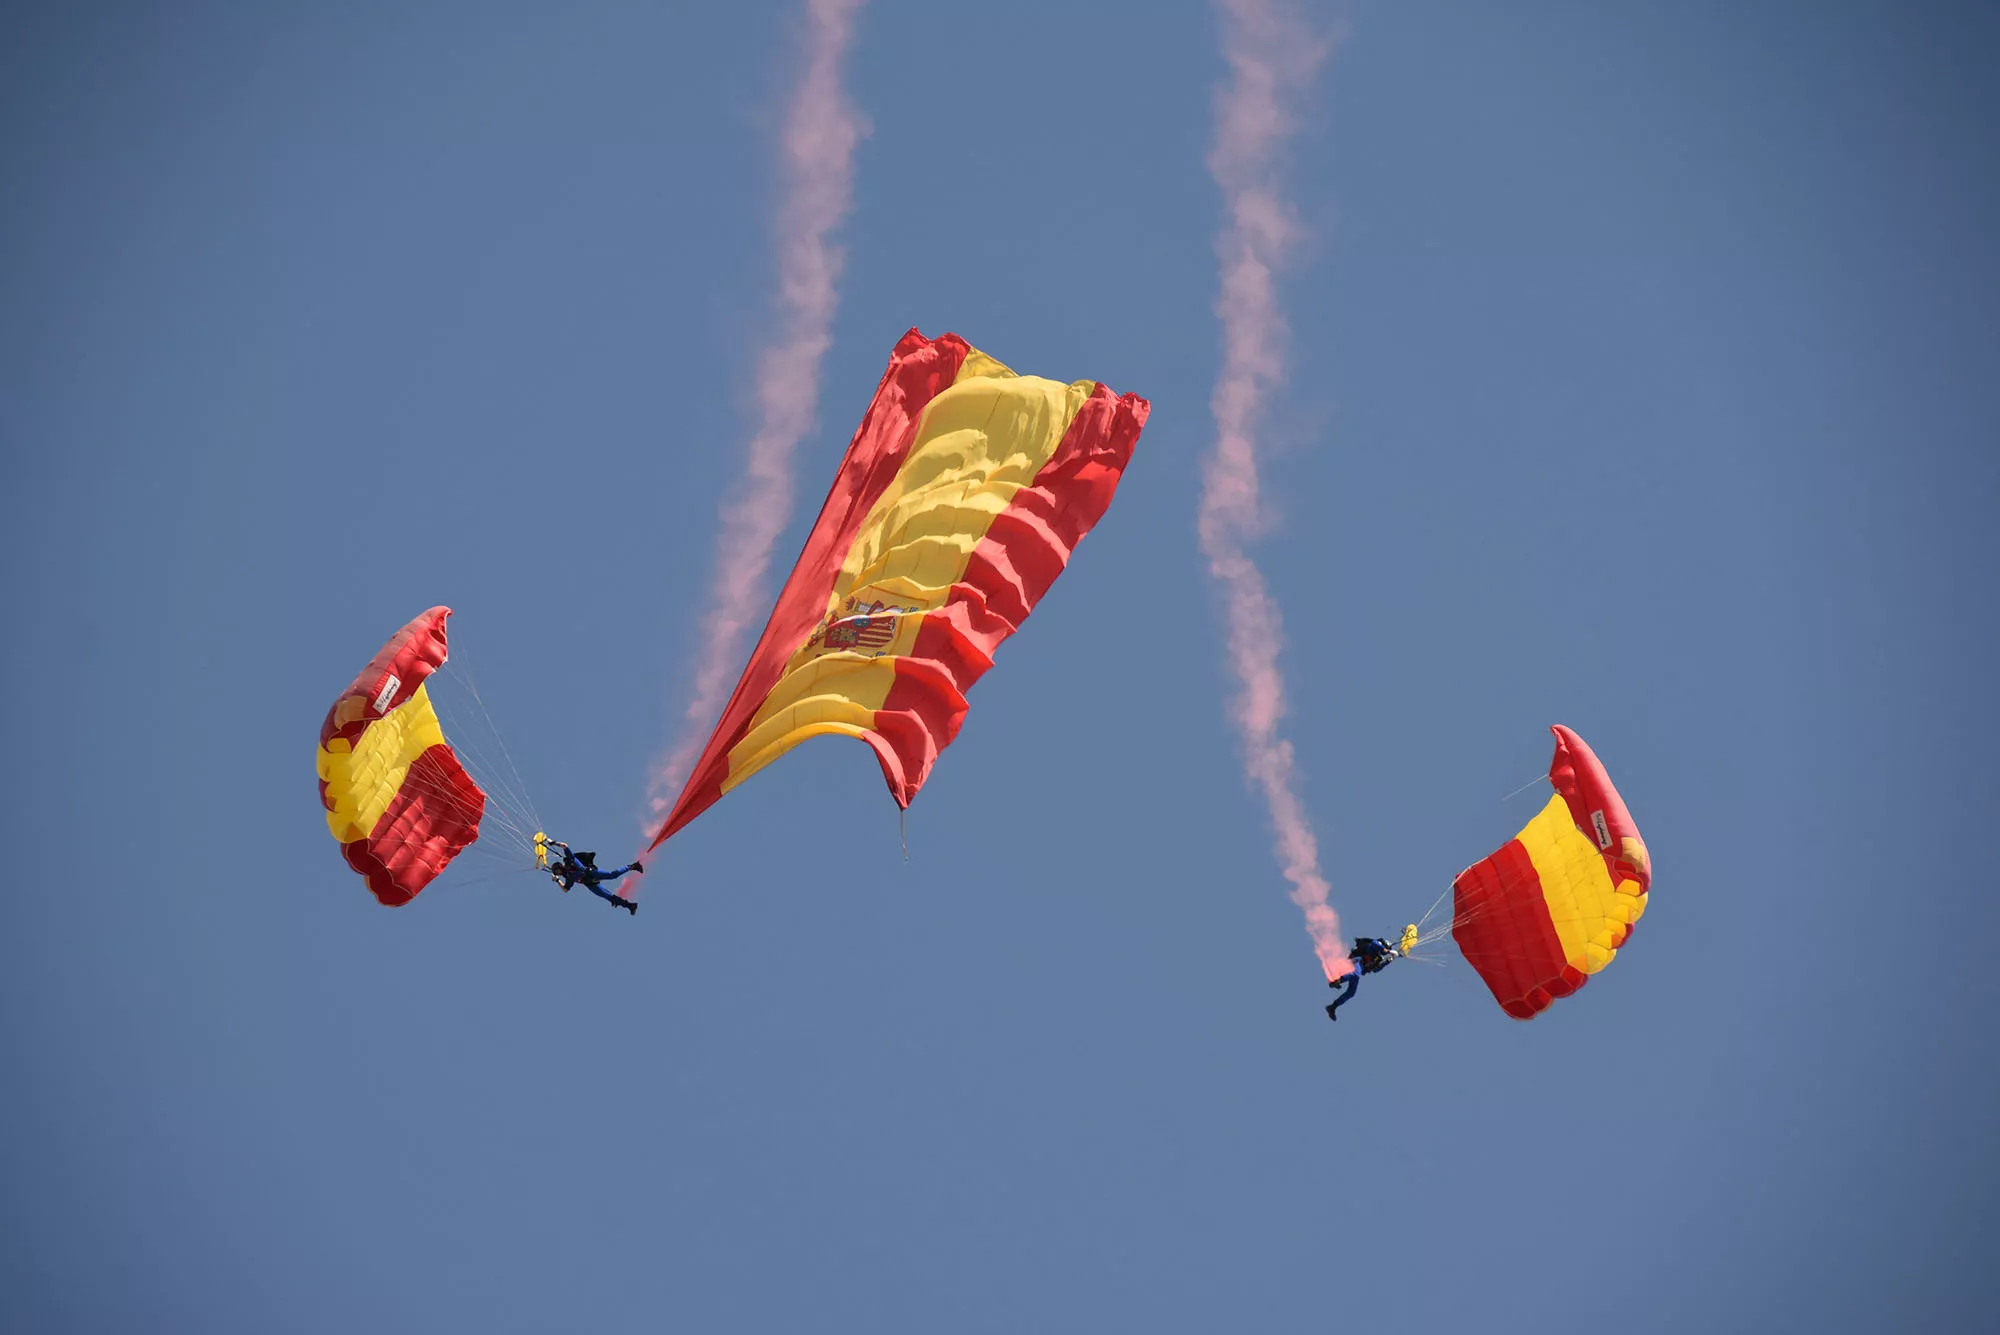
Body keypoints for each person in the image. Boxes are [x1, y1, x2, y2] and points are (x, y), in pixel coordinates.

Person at [547, 840, 644, 915]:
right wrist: (557, 881)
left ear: (559, 867)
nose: (558, 873)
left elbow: (565, 846)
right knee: (608, 897)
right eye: (556, 873)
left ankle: (633, 866)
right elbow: (565, 889)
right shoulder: (568, 878)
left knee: (612, 875)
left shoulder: (570, 860)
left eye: (557, 872)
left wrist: (554, 843)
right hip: (589, 883)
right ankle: (630, 906)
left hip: (591, 873)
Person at [1325, 935, 1402, 1021]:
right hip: (1357, 960)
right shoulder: (1374, 946)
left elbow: (1375, 970)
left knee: (1351, 992)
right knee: (1356, 974)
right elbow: (1374, 943)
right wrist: (1387, 950)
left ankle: (1332, 1007)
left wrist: (1388, 961)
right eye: (1386, 948)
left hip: (1360, 969)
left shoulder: (1378, 958)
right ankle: (1337, 981)